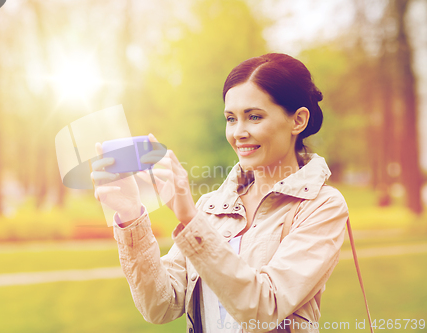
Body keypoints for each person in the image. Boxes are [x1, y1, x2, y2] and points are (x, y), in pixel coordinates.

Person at [91, 53, 349, 333]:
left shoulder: (321, 206)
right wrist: (131, 215)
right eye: (231, 118)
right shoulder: (210, 207)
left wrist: (190, 220)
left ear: (298, 120)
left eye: (254, 117)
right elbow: (160, 306)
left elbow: (263, 308)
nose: (238, 132)